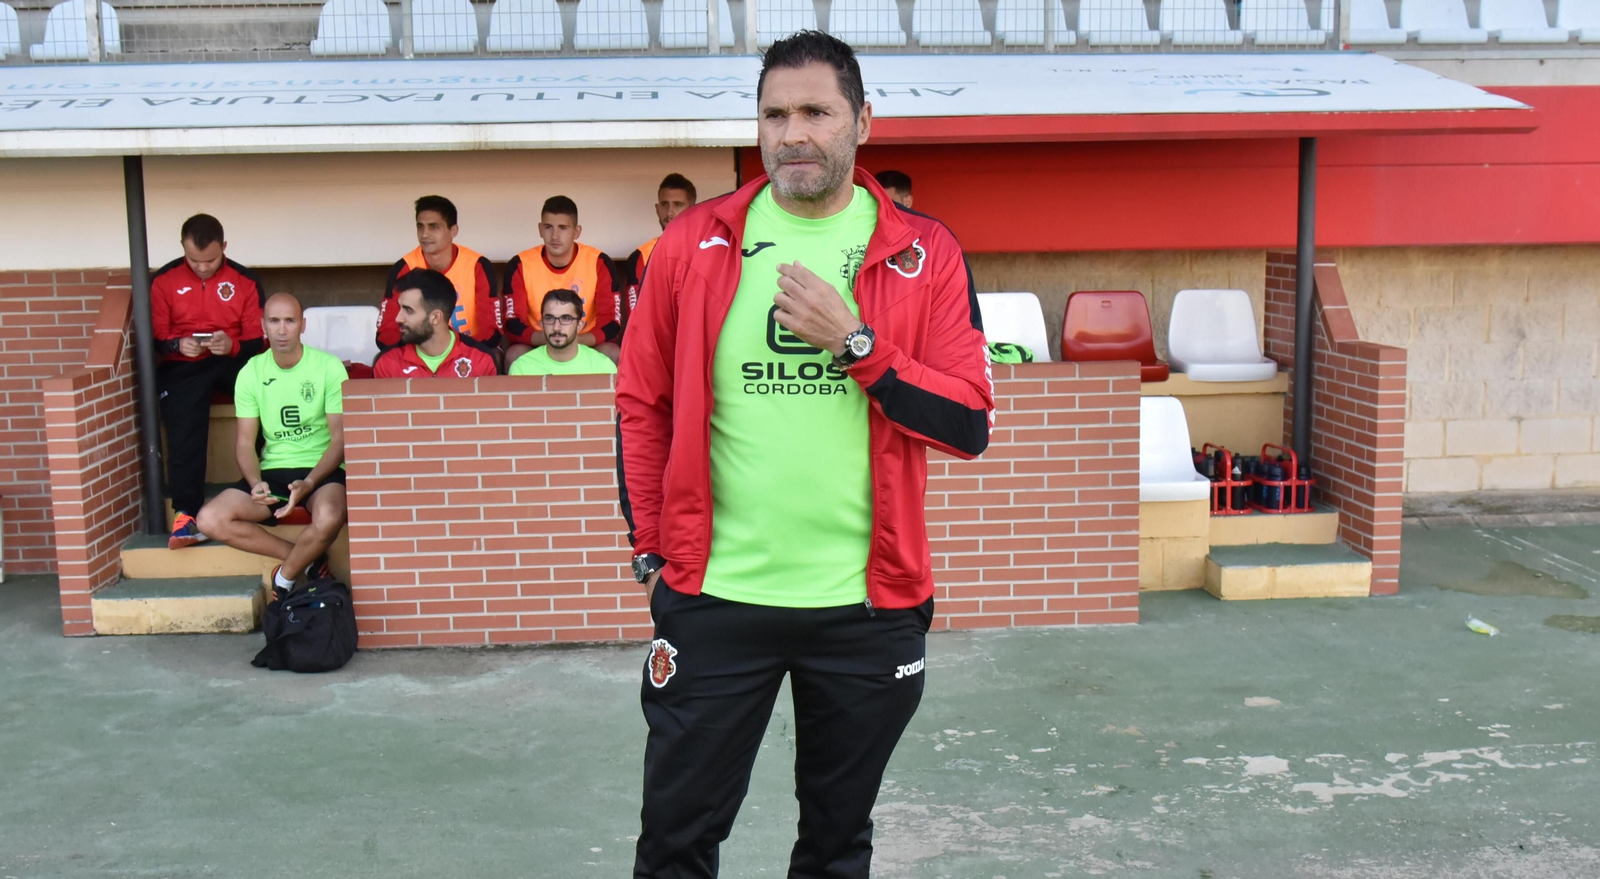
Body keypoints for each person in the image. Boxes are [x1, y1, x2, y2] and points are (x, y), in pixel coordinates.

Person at [616, 30, 994, 879]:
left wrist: (857, 343)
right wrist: (652, 555)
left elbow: (969, 421)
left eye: (817, 112)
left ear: (863, 121)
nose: (794, 134)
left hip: (866, 609)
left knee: (836, 844)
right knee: (673, 840)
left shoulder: (923, 252)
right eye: (775, 115)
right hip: (716, 597)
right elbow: (642, 405)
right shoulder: (695, 243)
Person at [196, 293, 350, 597]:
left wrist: (309, 483)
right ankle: (305, 559)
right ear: (263, 325)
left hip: (322, 471)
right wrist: (256, 482)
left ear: (303, 325)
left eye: (290, 321)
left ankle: (285, 576)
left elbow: (340, 439)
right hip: (274, 471)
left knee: (330, 516)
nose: (282, 330)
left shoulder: (329, 367)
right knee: (209, 519)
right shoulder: (251, 371)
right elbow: (244, 443)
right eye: (274, 321)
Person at [152, 213, 266, 550]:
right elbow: (156, 336)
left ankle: (262, 494)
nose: (202, 267)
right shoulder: (164, 281)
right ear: (182, 248)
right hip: (182, 366)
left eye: (211, 260)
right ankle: (186, 512)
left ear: (225, 247)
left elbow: (257, 339)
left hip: (232, 360)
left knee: (266, 399)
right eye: (194, 260)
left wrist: (232, 345)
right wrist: (177, 344)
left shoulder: (245, 280)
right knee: (184, 425)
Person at [502, 195, 622, 367]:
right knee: (515, 354)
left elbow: (611, 322)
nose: (555, 236)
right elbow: (513, 324)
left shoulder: (599, 262)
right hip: (540, 343)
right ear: (540, 229)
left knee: (612, 353)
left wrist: (573, 340)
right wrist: (553, 339)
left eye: (563, 228)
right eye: (548, 227)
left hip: (584, 342)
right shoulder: (520, 264)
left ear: (577, 231)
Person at [376, 195, 500, 355]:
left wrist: (460, 353)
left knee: (494, 356)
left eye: (433, 227)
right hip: (417, 353)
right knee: (382, 359)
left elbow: (490, 330)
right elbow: (386, 333)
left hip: (469, 351)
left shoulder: (478, 265)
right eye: (420, 227)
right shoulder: (404, 267)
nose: (424, 234)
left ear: (453, 230)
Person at [372, 269, 499, 378]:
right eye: (400, 308)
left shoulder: (481, 360)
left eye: (408, 310)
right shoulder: (387, 363)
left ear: (435, 317)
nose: (398, 318)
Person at [622, 174, 698, 329]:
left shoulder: (707, 251)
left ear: (693, 209)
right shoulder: (641, 256)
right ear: (657, 209)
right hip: (657, 337)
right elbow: (636, 318)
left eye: (678, 204)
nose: (669, 212)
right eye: (664, 204)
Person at [507, 289, 619, 377]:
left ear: (579, 325)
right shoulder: (522, 368)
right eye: (550, 318)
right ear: (541, 324)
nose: (556, 327)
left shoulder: (603, 368)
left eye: (566, 318)